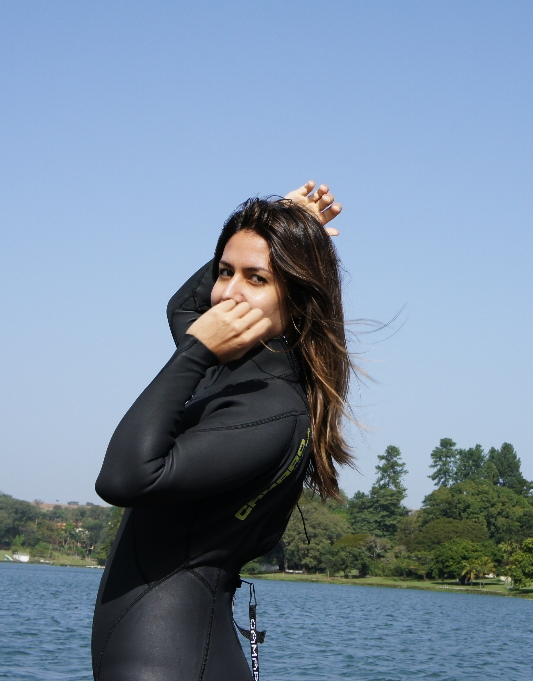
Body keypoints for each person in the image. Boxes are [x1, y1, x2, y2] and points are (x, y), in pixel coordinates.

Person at [92, 181, 352, 681]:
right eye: (225, 272)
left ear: (298, 299)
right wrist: (280, 221)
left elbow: (125, 479)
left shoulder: (272, 406)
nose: (229, 292)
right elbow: (182, 308)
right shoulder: (235, 368)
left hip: (173, 664)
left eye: (257, 279)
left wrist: (194, 353)